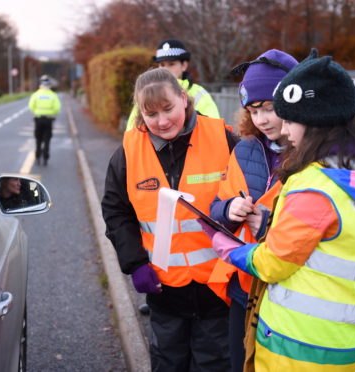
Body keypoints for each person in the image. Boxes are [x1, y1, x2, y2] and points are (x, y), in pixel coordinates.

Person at [204, 49, 355, 371]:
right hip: (346, 337)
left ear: (314, 120)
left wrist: (227, 248)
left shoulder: (313, 183)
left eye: (287, 116)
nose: (284, 128)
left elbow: (274, 263)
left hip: (297, 341)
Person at [102, 68, 238, 370]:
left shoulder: (223, 138)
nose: (162, 121)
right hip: (164, 291)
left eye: (168, 109)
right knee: (168, 363)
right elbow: (116, 211)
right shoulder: (127, 152)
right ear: (140, 113)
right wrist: (135, 264)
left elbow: (249, 195)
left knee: (215, 363)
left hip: (219, 287)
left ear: (183, 98)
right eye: (151, 114)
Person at [207, 49, 298, 372]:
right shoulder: (245, 149)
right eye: (254, 110)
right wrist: (229, 209)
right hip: (243, 285)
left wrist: (267, 225)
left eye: (271, 109)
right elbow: (213, 210)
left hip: (286, 292)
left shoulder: (312, 152)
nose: (262, 119)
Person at [125, 39, 221, 131]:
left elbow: (212, 129)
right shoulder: (147, 93)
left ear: (184, 65)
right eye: (162, 65)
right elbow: (133, 132)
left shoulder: (199, 93)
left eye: (171, 64)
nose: (165, 69)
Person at [28, 76, 61, 166]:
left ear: (40, 85)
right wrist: (51, 113)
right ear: (49, 85)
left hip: (38, 119)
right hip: (48, 120)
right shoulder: (53, 95)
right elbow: (57, 108)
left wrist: (36, 112)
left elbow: (31, 106)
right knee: (47, 139)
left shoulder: (35, 95)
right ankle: (45, 157)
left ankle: (38, 155)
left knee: (38, 139)